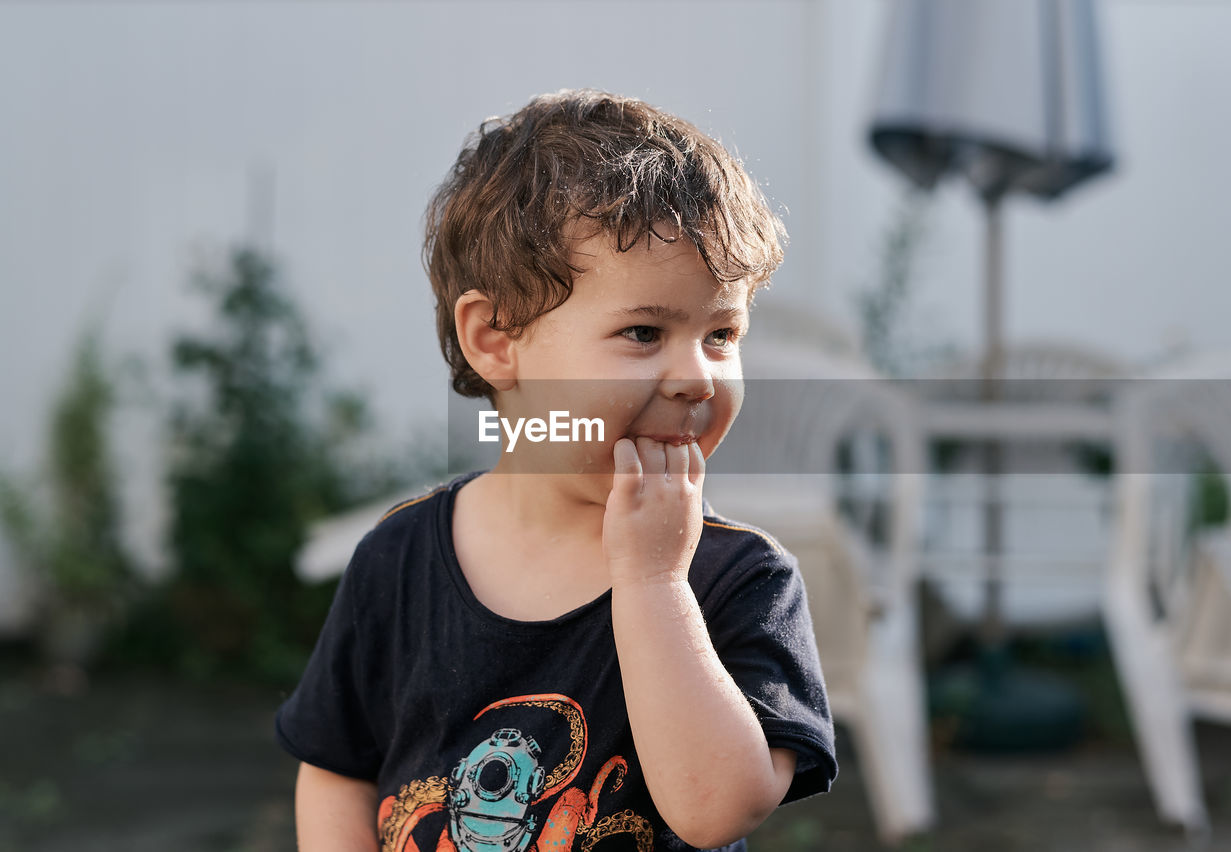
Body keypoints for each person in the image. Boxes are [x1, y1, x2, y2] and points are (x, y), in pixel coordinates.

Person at [276, 89, 837, 852]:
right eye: (644, 331)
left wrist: (653, 583)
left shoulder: (740, 580)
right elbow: (337, 767)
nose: (698, 377)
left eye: (721, 333)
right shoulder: (397, 561)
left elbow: (716, 809)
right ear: (496, 339)